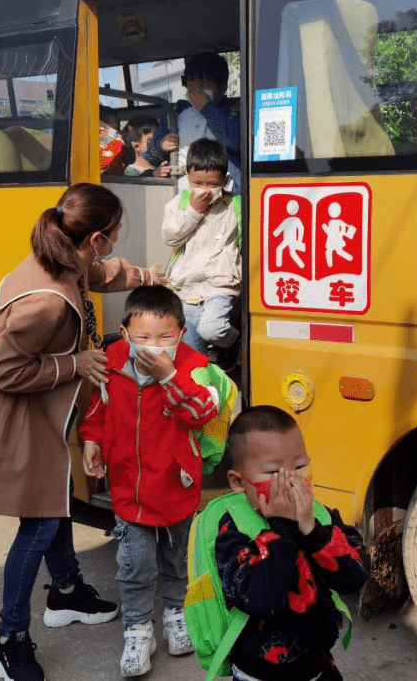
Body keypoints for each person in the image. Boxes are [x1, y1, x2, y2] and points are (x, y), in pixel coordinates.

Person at [0, 183, 165, 681]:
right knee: (38, 523)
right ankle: (9, 639)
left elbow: (103, 273)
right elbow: (5, 373)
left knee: (55, 498)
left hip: (41, 410)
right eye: (117, 233)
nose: (117, 243)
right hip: (14, 412)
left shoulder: (65, 257)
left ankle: (65, 593)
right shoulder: (48, 304)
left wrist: (148, 276)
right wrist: (75, 362)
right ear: (98, 237)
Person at [80, 285, 220, 677]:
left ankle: (177, 614)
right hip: (129, 490)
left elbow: (201, 412)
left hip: (176, 488)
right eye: (142, 338)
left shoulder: (194, 366)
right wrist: (93, 441)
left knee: (177, 562)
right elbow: (98, 408)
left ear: (181, 332)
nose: (154, 347)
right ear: (125, 333)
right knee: (134, 566)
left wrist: (170, 377)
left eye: (166, 337)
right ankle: (139, 630)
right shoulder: (112, 362)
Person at [217, 406, 370, 681]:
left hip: (319, 666)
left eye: (300, 466)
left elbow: (355, 577)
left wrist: (312, 530)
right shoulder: (233, 531)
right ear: (238, 482)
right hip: (258, 673)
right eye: (274, 471)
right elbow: (262, 599)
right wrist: (284, 530)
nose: (290, 482)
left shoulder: (321, 517)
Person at [160, 138, 241, 366]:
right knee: (193, 355)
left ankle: (234, 340)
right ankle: (206, 391)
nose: (204, 190)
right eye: (198, 183)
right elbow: (171, 237)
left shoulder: (235, 206)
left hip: (221, 283)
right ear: (187, 177)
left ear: (224, 181)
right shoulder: (179, 204)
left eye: (212, 185)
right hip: (186, 286)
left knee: (212, 329)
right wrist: (194, 212)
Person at [150, 53, 241, 190]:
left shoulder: (233, 110)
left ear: (222, 87)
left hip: (224, 185)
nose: (196, 91)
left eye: (203, 85)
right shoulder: (175, 112)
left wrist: (206, 108)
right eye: (191, 86)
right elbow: (155, 147)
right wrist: (161, 144)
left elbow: (233, 141)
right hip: (184, 184)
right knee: (187, 210)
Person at [100, 105, 125, 174]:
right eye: (116, 129)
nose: (120, 132)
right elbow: (103, 162)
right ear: (100, 130)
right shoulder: (90, 151)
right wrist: (119, 142)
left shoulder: (115, 150)